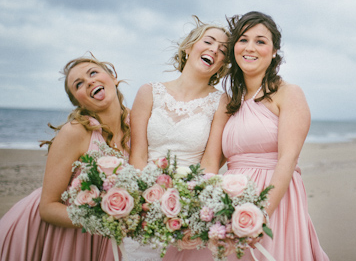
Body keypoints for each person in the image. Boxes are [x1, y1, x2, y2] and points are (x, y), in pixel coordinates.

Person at [199, 11, 329, 261]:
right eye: (243, 40)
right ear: (234, 48)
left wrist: (260, 215)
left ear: (274, 52)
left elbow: (287, 160)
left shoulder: (288, 93)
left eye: (260, 41)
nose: (250, 48)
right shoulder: (228, 103)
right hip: (229, 202)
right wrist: (204, 207)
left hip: (275, 202)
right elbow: (210, 163)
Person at [0, 55, 131, 261]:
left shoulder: (139, 124)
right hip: (62, 230)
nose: (89, 81)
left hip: (112, 237)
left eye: (93, 73)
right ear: (77, 101)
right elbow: (48, 207)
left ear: (113, 77)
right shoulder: (75, 132)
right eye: (78, 84)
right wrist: (103, 218)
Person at [127, 16, 229, 260]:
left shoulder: (221, 102)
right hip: (145, 204)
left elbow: (210, 163)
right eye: (209, 41)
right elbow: (138, 154)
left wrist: (188, 207)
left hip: (189, 208)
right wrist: (149, 200)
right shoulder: (149, 92)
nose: (214, 50)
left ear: (223, 65)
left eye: (223, 50)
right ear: (189, 47)